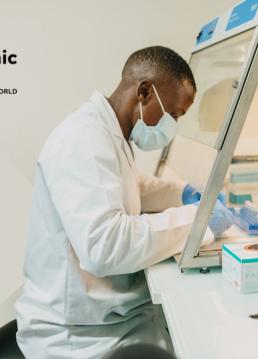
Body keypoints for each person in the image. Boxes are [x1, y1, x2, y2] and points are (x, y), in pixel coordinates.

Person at [15, 46, 234, 359]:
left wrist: (182, 191)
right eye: (173, 114)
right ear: (145, 92)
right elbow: (106, 246)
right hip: (78, 337)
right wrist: (196, 221)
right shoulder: (83, 140)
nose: (172, 126)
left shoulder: (108, 131)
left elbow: (129, 185)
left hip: (103, 318)